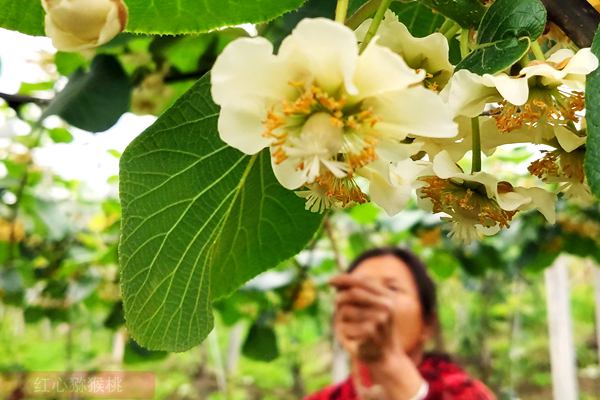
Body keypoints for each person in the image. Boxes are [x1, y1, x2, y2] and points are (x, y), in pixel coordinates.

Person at [305, 247, 495, 400]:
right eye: (358, 289)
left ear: (427, 324)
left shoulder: (466, 393)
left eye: (391, 288)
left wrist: (388, 362)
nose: (370, 300)